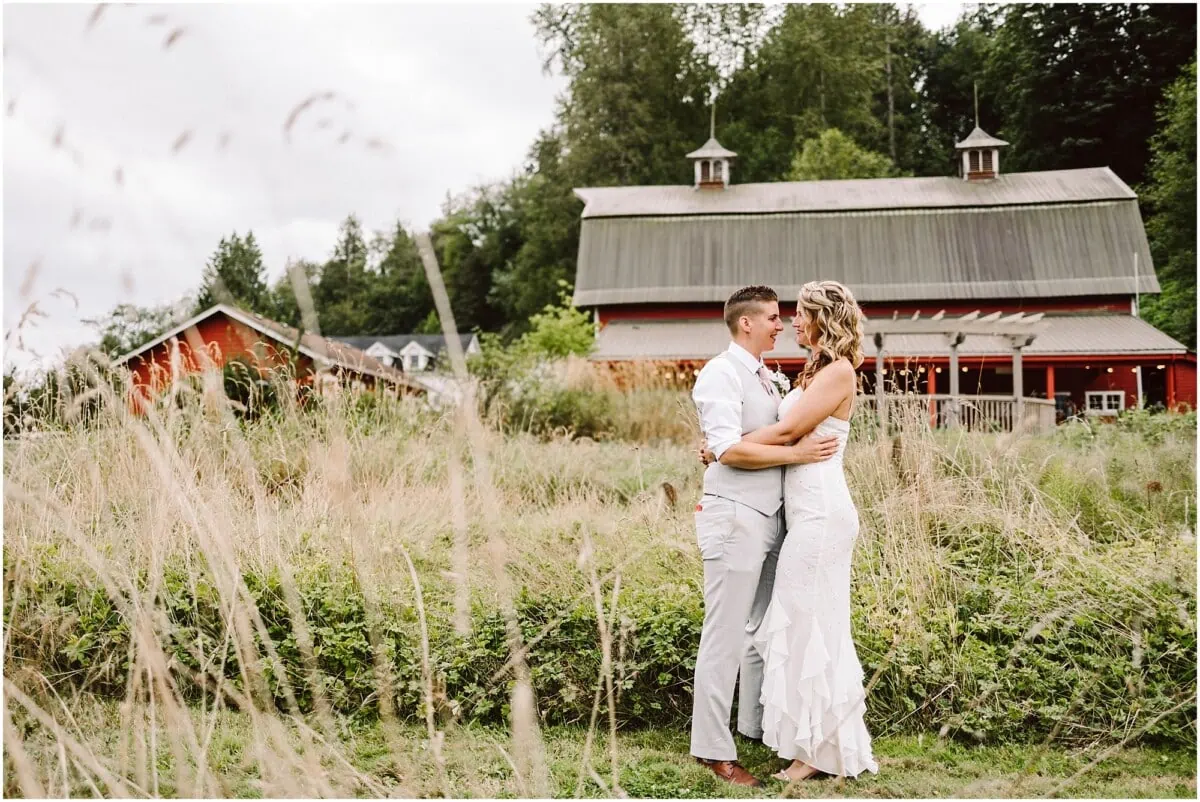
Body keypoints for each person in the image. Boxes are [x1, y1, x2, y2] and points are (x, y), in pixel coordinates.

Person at [703, 280, 879, 782]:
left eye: (800, 315)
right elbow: (779, 433)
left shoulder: (838, 372)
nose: (792, 323)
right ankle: (820, 747)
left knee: (807, 625)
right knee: (808, 624)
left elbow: (785, 434)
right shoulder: (817, 369)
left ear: (823, 319)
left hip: (822, 514)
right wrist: (725, 445)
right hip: (804, 513)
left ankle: (814, 755)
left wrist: (724, 446)